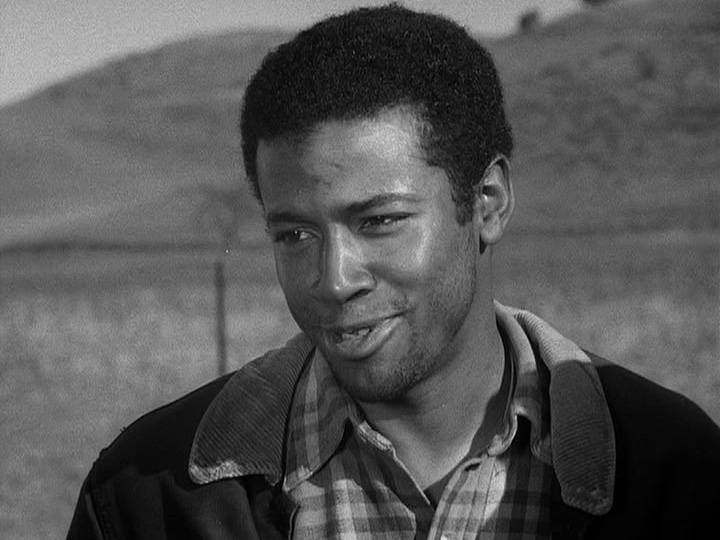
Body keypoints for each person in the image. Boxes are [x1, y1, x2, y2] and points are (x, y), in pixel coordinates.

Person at [67, 5, 720, 539]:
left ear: (487, 203)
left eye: (380, 220)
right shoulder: (145, 497)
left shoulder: (678, 474)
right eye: (294, 234)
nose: (334, 279)